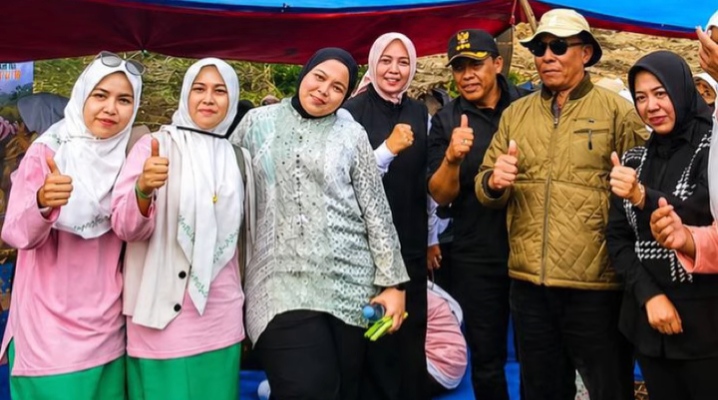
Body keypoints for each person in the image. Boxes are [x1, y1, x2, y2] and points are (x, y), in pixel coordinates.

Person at [475, 9, 648, 400]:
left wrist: (634, 189)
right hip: (530, 286)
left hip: (597, 287)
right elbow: (485, 186)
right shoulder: (516, 114)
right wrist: (494, 182)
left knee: (609, 388)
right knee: (540, 389)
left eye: (558, 46)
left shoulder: (617, 112)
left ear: (585, 53)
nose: (547, 56)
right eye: (539, 48)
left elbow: (646, 189)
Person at [230, 48, 409, 400]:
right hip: (278, 284)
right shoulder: (256, 124)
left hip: (350, 285)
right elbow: (224, 185)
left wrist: (394, 285)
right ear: (305, 73)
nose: (324, 90)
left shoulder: (352, 134)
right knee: (306, 388)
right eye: (319, 77)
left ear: (346, 95)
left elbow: (376, 210)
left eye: (337, 87)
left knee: (344, 389)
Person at [0, 52, 143, 400]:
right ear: (82, 96)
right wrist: (41, 202)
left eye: (124, 100)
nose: (110, 108)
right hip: (47, 334)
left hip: (107, 330)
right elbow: (15, 233)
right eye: (100, 95)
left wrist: (143, 191)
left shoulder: (129, 156)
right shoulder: (48, 152)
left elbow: (131, 229)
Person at [112, 58, 245, 400]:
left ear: (232, 97)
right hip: (162, 316)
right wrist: (143, 188)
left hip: (221, 316)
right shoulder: (155, 146)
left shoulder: (238, 157)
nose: (208, 98)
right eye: (199, 89)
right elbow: (125, 227)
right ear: (186, 93)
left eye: (219, 91)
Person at [606, 50, 718, 400]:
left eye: (660, 93)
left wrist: (643, 196)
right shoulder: (634, 159)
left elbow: (701, 215)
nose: (651, 106)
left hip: (706, 326)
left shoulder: (711, 149)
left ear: (681, 89)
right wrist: (650, 295)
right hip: (649, 325)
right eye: (640, 97)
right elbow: (617, 238)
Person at [427, 28, 529, 400]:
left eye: (476, 65)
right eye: (459, 68)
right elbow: (439, 194)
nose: (467, 75)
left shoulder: (528, 107)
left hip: (531, 248)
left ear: (498, 64)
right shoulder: (447, 120)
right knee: (487, 356)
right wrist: (452, 159)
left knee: (539, 350)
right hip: (476, 252)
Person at [342, 32, 430, 400]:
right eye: (386, 60)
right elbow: (344, 181)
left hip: (410, 246)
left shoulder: (418, 111)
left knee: (409, 340)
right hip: (363, 252)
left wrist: (433, 239)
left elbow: (424, 180)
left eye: (403, 62)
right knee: (371, 338)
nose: (394, 70)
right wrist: (388, 149)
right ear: (373, 63)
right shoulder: (351, 112)